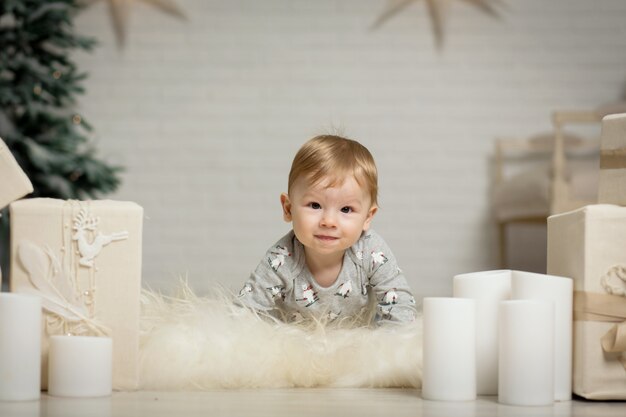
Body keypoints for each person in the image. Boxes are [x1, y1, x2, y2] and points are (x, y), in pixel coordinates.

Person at [237, 135, 417, 326]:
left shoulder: (370, 251)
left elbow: (401, 308)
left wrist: (387, 347)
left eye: (346, 209)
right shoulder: (281, 259)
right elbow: (244, 314)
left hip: (359, 346)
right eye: (315, 205)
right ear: (288, 209)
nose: (329, 221)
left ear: (367, 217)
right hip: (297, 346)